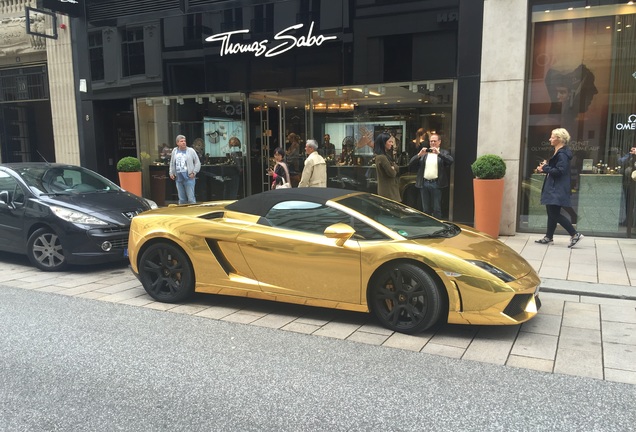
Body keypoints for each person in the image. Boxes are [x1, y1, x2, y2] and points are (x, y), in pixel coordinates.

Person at [535, 128, 583, 248]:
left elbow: (560, 171)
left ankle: (574, 234)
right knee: (552, 212)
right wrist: (546, 167)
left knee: (554, 214)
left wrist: (545, 168)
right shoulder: (559, 152)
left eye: (552, 137)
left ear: (559, 139)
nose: (550, 139)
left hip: (556, 188)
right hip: (554, 187)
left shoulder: (562, 154)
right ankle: (548, 237)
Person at [408, 133, 453, 219]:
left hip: (436, 183)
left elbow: (450, 161)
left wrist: (439, 154)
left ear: (439, 142)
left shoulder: (443, 152)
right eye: (431, 141)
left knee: (437, 208)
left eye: (434, 141)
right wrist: (419, 155)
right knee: (425, 209)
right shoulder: (425, 153)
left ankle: (438, 226)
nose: (432, 143)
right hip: (424, 183)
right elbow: (411, 163)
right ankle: (427, 225)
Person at [169, 134, 201, 204]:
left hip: (189, 178)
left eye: (184, 141)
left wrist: (194, 172)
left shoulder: (191, 151)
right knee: (181, 199)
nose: (184, 142)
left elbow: (197, 162)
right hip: (178, 178)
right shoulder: (174, 151)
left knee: (191, 198)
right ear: (177, 143)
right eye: (181, 141)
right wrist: (171, 173)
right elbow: (172, 162)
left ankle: (193, 213)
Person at [374, 133, 400, 202]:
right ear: (383, 143)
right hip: (389, 193)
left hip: (387, 191)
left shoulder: (383, 156)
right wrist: (393, 168)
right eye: (389, 141)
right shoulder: (382, 157)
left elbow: (397, 167)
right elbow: (392, 173)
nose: (391, 144)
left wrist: (393, 167)